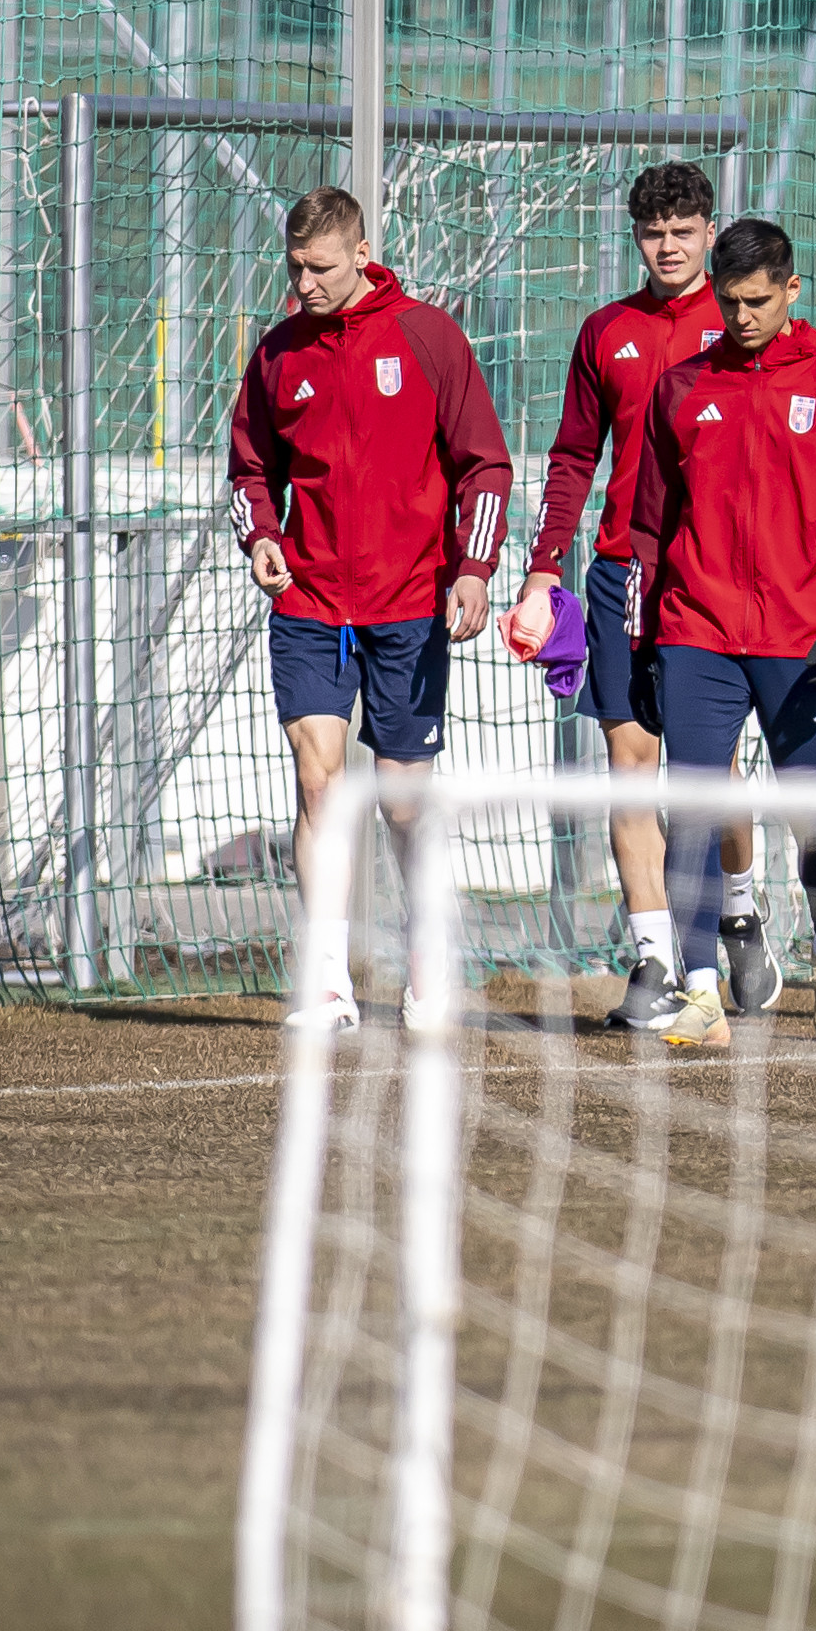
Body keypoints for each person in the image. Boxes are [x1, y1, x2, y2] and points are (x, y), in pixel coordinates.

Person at [229, 185, 512, 1034]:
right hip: (311, 602)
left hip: (409, 606)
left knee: (401, 804)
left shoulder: (428, 338)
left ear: (361, 253)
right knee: (319, 784)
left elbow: (485, 466)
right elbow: (249, 469)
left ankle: (428, 960)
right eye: (294, 266)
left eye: (319, 267)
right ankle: (325, 982)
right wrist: (262, 537)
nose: (304, 282)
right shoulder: (279, 354)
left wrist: (474, 570)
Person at [626, 217, 816, 1049]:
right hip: (697, 632)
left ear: (791, 289)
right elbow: (648, 530)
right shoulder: (680, 388)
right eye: (730, 301)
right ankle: (700, 991)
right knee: (693, 811)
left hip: (802, 640)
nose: (742, 317)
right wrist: (642, 643)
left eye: (757, 301)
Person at [521, 161, 777, 1028]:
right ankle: (655, 961)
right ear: (635, 237)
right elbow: (572, 457)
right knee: (628, 770)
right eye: (652, 233)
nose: (667, 247)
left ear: (710, 231)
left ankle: (738, 907)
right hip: (618, 576)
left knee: (712, 775)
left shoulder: (740, 322)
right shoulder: (607, 331)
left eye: (682, 231)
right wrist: (544, 567)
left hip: (710, 578)